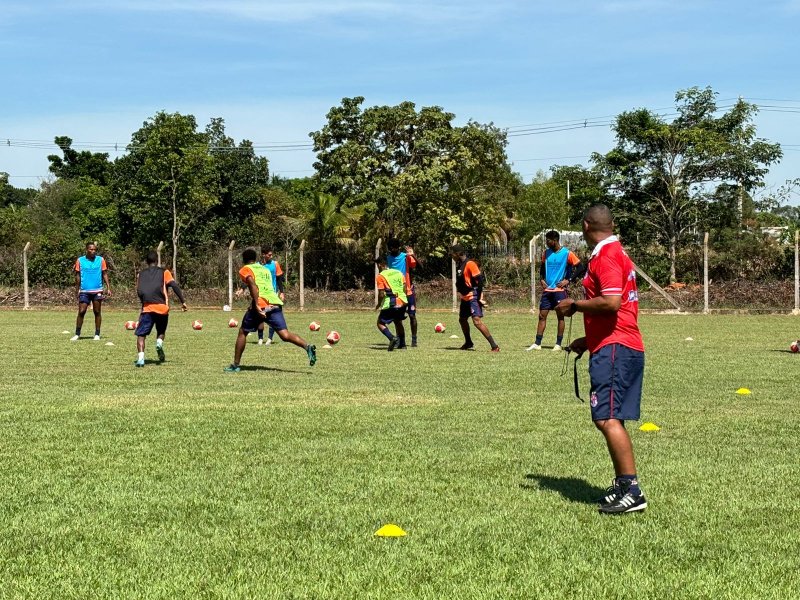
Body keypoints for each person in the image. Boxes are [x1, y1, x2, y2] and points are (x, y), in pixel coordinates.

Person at [556, 204, 647, 515]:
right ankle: (623, 486)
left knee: (606, 418)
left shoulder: (607, 257)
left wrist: (574, 306)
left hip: (615, 347)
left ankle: (632, 490)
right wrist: (587, 340)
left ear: (585, 226)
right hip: (616, 344)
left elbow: (610, 303)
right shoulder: (616, 253)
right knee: (611, 416)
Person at [225, 248, 316, 372]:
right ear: (256, 258)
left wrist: (256, 304)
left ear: (244, 260)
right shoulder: (264, 269)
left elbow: (252, 285)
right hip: (274, 303)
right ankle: (307, 347)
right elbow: (265, 287)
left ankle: (235, 365)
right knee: (285, 335)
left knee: (243, 332)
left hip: (261, 305)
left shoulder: (246, 269)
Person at [527, 230, 584, 352]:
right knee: (542, 316)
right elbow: (542, 268)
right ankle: (537, 343)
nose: (547, 243)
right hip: (547, 290)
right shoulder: (546, 253)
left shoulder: (567, 253)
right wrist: (541, 279)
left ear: (555, 240)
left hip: (559, 290)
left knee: (560, 316)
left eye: (548, 241)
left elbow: (580, 267)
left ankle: (558, 344)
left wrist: (568, 280)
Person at [134, 251, 187, 368]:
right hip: (162, 308)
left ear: (147, 262)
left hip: (147, 308)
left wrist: (143, 304)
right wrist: (183, 301)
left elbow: (139, 291)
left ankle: (141, 359)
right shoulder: (165, 272)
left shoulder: (141, 274)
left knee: (141, 335)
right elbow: (174, 286)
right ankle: (159, 342)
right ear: (157, 262)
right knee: (161, 331)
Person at [450, 244, 499, 352]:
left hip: (473, 296)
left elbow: (480, 281)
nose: (452, 256)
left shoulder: (470, 264)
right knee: (462, 320)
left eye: (452, 254)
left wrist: (479, 297)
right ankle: (468, 342)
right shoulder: (460, 265)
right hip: (465, 297)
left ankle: (494, 346)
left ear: (458, 253)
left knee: (477, 321)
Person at [71, 242, 112, 341]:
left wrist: (108, 287)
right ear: (87, 249)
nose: (93, 251)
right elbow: (77, 276)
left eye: (94, 250)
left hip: (97, 289)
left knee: (97, 311)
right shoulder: (80, 260)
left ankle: (97, 334)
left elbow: (104, 273)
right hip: (84, 290)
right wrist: (77, 289)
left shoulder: (100, 260)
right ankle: (77, 334)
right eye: (91, 249)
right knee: (82, 311)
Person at [386, 238, 419, 346]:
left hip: (408, 292)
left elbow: (417, 266)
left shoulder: (406, 257)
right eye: (390, 248)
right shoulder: (389, 258)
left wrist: (412, 255)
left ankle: (414, 340)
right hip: (396, 293)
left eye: (393, 247)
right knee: (397, 319)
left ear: (398, 247)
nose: (391, 250)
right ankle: (400, 340)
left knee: (412, 316)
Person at [374, 257, 408, 351]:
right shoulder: (399, 273)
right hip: (402, 301)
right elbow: (404, 287)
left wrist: (378, 304)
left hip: (391, 302)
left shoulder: (381, 276)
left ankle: (391, 338)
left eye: (378, 265)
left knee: (380, 323)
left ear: (380, 265)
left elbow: (381, 293)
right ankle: (403, 345)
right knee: (398, 322)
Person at [257, 245, 285, 346]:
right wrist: (242, 289)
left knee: (273, 316)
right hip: (261, 295)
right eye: (269, 254)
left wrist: (281, 292)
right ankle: (260, 338)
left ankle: (269, 338)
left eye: (272, 254)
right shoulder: (258, 265)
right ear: (263, 255)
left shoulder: (275, 264)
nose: (271, 256)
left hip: (273, 295)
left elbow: (279, 279)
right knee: (261, 316)